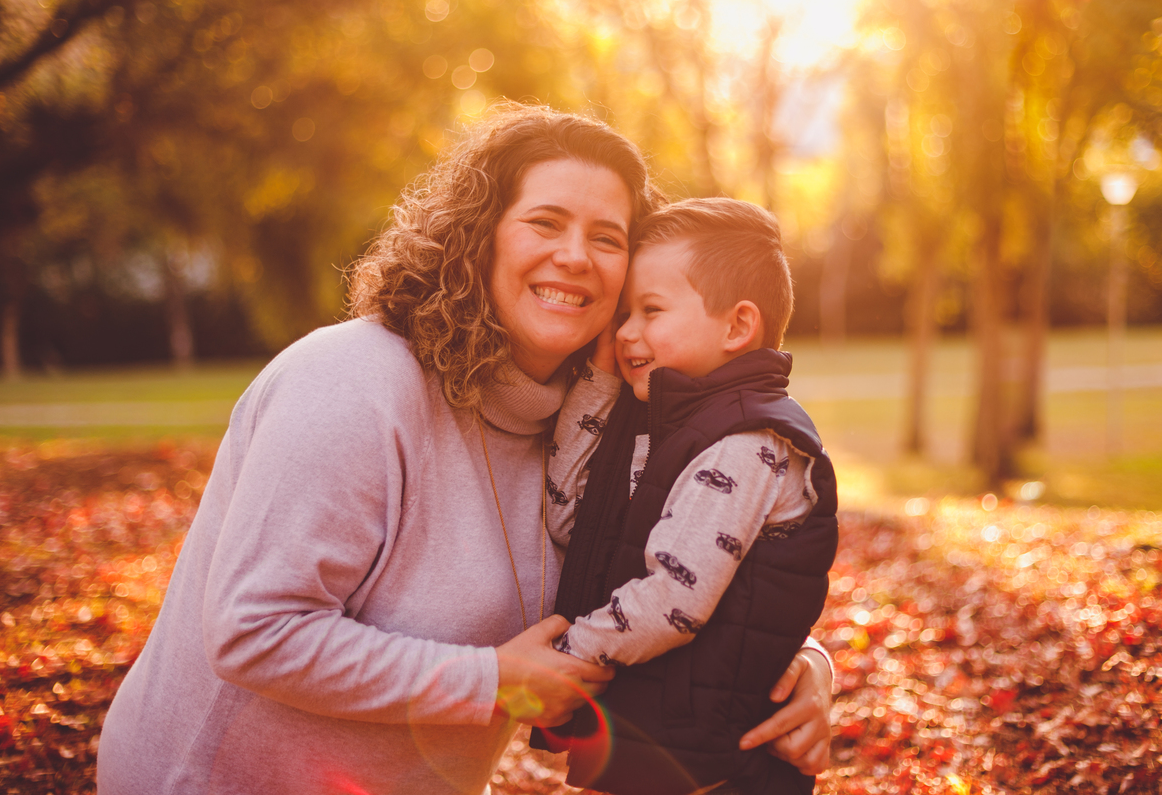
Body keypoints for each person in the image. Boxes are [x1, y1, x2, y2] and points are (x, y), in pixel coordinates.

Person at [96, 105, 832, 795]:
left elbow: (670, 569)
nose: (575, 255)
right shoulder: (352, 383)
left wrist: (798, 668)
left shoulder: (592, 424)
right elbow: (255, 633)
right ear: (478, 234)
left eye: (607, 237)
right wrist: (496, 683)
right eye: (545, 222)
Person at [537, 198, 839, 795]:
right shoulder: (664, 426)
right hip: (654, 745)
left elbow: (674, 600)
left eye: (650, 310)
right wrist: (598, 381)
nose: (624, 332)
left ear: (736, 326)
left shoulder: (748, 441)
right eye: (624, 314)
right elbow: (571, 515)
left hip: (719, 765)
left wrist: (561, 659)